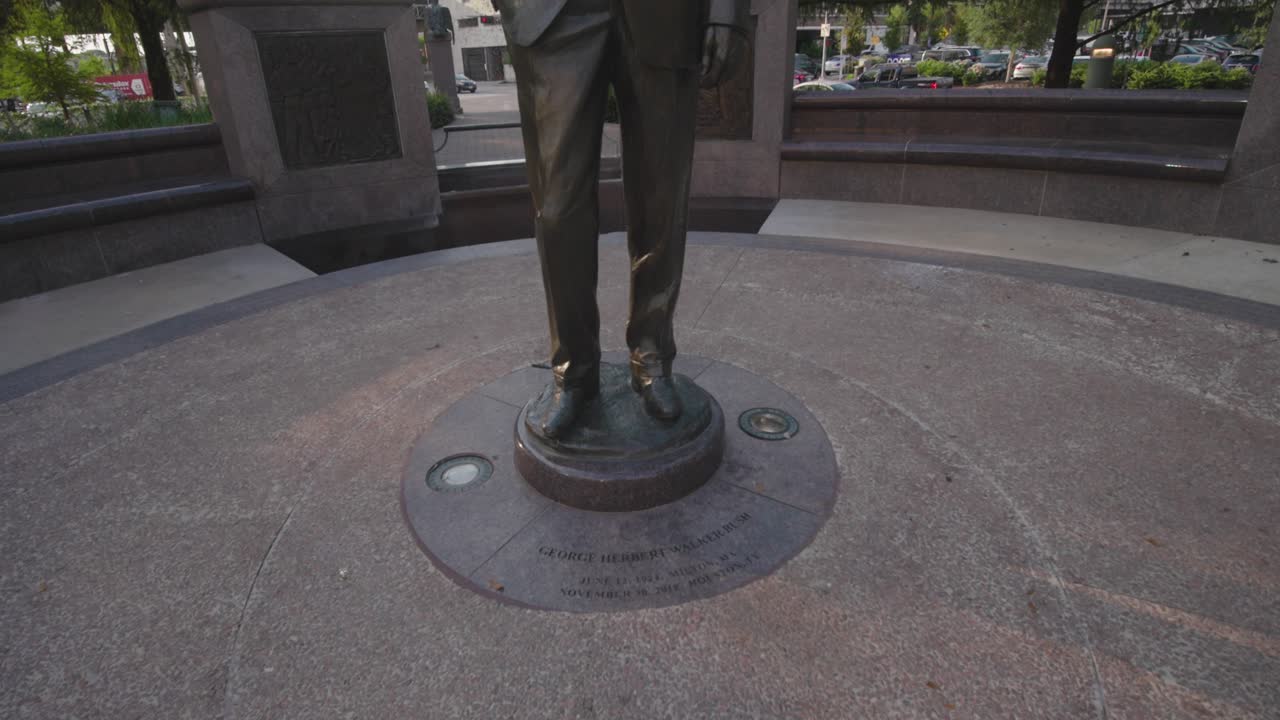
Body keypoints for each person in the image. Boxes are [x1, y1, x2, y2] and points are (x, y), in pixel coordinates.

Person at [497, 0, 748, 439]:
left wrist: (727, 11)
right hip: (554, 16)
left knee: (662, 198)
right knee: (557, 209)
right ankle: (573, 370)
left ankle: (652, 357)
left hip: (666, 17)